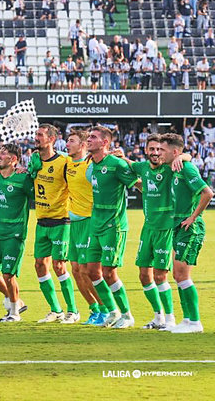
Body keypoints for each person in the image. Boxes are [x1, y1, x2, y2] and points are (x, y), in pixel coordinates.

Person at [124, 134, 181, 330]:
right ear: (146, 150)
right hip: (147, 228)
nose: (155, 153)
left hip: (165, 229)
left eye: (159, 149)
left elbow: (186, 157)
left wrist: (183, 157)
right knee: (143, 275)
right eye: (152, 149)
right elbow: (129, 164)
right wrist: (119, 156)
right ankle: (158, 317)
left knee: (160, 275)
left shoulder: (170, 168)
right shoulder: (142, 167)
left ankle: (171, 318)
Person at [159, 133, 213, 333]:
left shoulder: (186, 168)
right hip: (178, 226)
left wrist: (193, 217)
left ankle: (195, 322)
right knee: (177, 274)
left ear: (174, 151)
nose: (159, 153)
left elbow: (207, 193)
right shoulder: (174, 167)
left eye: (163, 150)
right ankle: (187, 320)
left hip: (190, 228)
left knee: (182, 274)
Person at [85, 126, 139, 328]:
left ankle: (127, 315)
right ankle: (112, 311)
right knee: (92, 271)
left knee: (109, 272)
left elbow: (139, 183)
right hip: (95, 223)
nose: (88, 140)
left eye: (93, 137)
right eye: (89, 136)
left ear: (105, 143)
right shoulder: (93, 163)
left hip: (113, 225)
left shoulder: (116, 164)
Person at [29, 124, 78, 323]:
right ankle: (55, 309)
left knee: (59, 265)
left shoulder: (64, 162)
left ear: (51, 139)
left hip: (61, 220)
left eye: (40, 135)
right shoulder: (34, 160)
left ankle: (73, 311)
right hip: (41, 220)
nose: (36, 138)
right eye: (36, 135)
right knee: (40, 264)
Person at [0, 143, 31, 322]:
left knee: (8, 274)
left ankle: (14, 313)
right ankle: (16, 301)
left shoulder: (23, 179)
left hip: (15, 233)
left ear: (13, 159)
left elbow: (40, 195)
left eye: (3, 154)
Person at [64, 130, 108, 325]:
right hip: (74, 222)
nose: (67, 144)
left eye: (71, 141)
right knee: (74, 269)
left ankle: (106, 308)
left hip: (90, 220)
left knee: (87, 269)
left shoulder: (91, 164)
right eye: (67, 140)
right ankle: (94, 308)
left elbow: (112, 159)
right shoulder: (65, 163)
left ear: (82, 145)